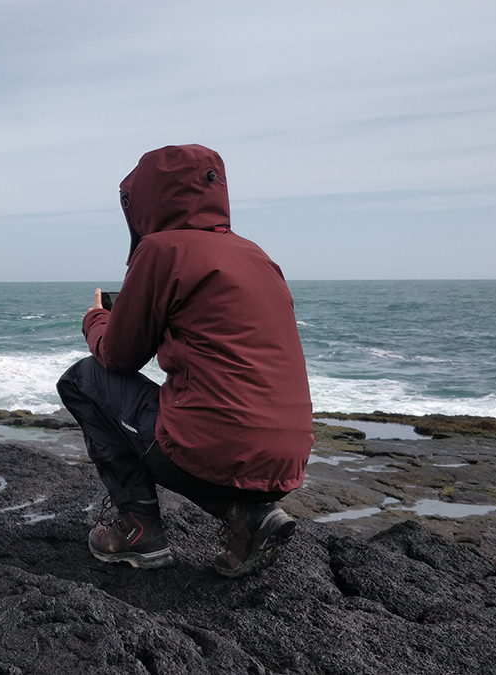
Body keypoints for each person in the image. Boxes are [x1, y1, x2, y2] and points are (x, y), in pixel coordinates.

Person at [57, 144, 313, 578]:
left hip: (217, 445)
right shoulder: (258, 256)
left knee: (82, 380)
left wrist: (96, 318)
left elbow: (117, 357)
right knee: (212, 417)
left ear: (145, 199)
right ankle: (247, 516)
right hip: (287, 457)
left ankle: (139, 529)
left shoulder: (161, 250)